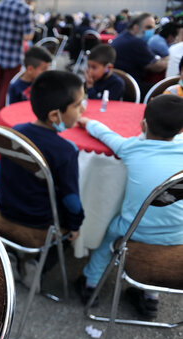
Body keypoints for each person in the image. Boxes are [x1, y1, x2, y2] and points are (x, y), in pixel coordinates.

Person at [76, 95, 183, 316]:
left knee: (110, 234)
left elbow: (104, 134)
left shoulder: (131, 148)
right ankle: (151, 297)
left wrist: (87, 122)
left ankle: (90, 284)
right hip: (178, 235)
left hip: (133, 231)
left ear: (143, 125)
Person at [0, 70, 85, 252]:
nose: (83, 109)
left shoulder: (15, 131)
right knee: (69, 231)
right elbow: (71, 199)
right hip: (38, 220)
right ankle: (39, 266)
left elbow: (0, 171)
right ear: (54, 116)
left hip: (4, 206)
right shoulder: (66, 150)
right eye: (78, 105)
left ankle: (15, 256)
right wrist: (75, 225)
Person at [0, 0, 34, 122]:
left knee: (0, 83)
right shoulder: (24, 9)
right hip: (13, 55)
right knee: (6, 86)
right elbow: (28, 36)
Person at [111, 12, 169, 98]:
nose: (152, 31)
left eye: (153, 27)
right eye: (148, 27)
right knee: (166, 91)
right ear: (135, 27)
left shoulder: (123, 36)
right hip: (130, 88)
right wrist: (169, 59)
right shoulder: (136, 42)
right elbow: (157, 66)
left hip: (117, 84)